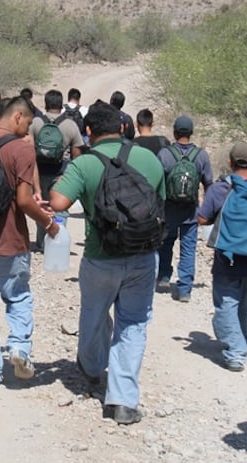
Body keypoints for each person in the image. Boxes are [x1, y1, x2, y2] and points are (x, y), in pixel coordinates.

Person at [49, 102, 165, 425]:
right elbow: (160, 201)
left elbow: (58, 202)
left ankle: (90, 369)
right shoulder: (150, 160)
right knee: (133, 323)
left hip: (101, 257)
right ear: (123, 126)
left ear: (88, 132)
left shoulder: (84, 164)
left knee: (94, 314)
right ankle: (123, 402)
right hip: (142, 257)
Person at [0, 97, 59, 387]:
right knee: (17, 297)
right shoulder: (22, 149)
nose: (28, 130)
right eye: (28, 123)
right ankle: (18, 347)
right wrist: (49, 224)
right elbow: (24, 200)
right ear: (18, 116)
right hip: (11, 240)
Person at [196, 142, 247, 372]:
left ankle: (236, 351)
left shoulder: (221, 189)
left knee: (226, 303)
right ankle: (243, 338)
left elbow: (202, 219)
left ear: (230, 162)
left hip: (228, 256)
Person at [156, 116, 213, 302]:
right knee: (188, 249)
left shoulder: (165, 154)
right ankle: (185, 289)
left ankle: (164, 276)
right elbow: (208, 184)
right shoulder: (201, 155)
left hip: (168, 210)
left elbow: (157, 182)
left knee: (166, 243)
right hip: (191, 212)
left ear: (174, 132)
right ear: (191, 133)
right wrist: (207, 209)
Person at [29, 89, 82, 252]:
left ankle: (41, 243)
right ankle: (58, 242)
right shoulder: (70, 124)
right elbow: (77, 154)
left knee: (41, 207)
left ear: (45, 104)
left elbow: (29, 151)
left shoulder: (36, 123)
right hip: (61, 172)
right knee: (60, 209)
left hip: (39, 171)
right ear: (62, 105)